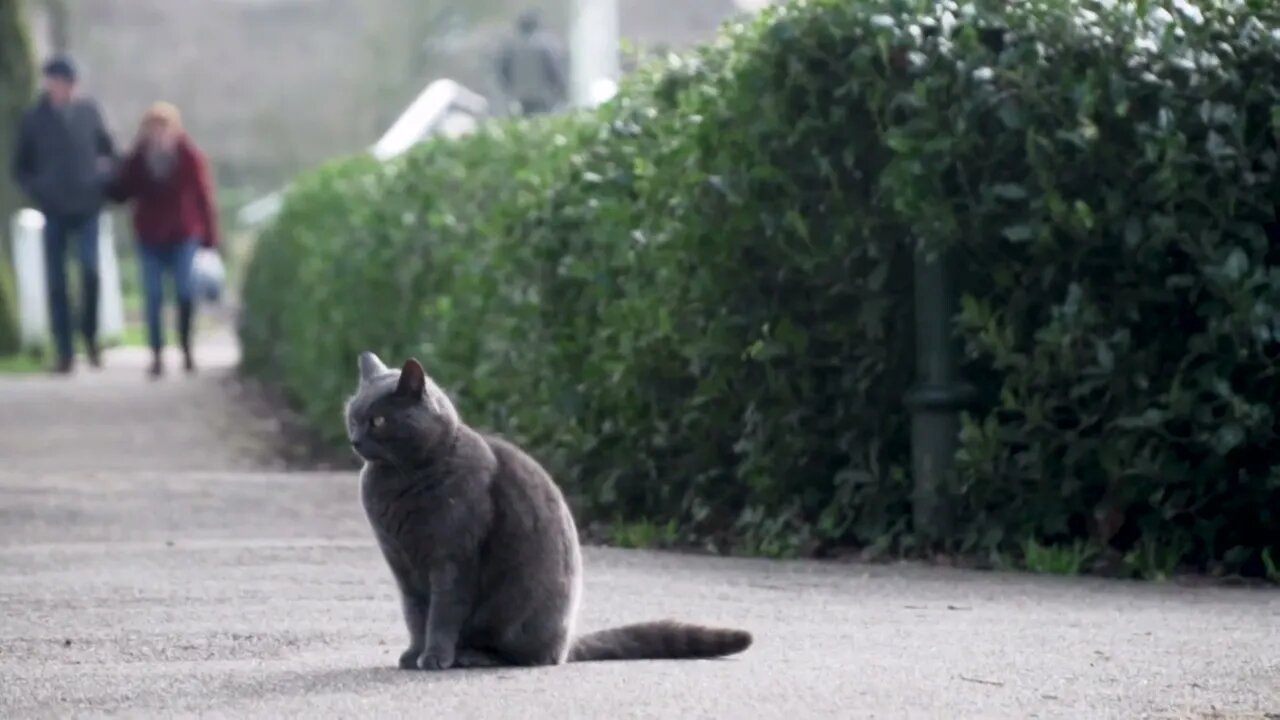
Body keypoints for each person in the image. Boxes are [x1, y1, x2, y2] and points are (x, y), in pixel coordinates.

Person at [10, 54, 118, 374]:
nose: (64, 89)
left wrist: (102, 178)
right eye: (59, 82)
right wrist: (39, 188)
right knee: (57, 279)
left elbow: (109, 151)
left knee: (90, 271)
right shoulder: (34, 119)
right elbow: (20, 166)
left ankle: (91, 336)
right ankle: (65, 350)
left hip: (87, 205)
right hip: (53, 207)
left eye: (69, 83)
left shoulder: (89, 113)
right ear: (50, 84)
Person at [109, 102, 220, 378]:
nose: (158, 135)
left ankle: (185, 347)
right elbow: (123, 191)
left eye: (163, 128)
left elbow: (204, 196)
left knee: (185, 290)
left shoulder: (189, 157)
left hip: (184, 233)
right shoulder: (137, 159)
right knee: (153, 295)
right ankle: (157, 353)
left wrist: (210, 236)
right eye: (153, 129)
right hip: (150, 235)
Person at [497, 10, 568, 116]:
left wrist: (509, 88)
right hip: (542, 98)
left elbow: (503, 72)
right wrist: (561, 91)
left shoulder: (510, 47)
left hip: (518, 98)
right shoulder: (544, 46)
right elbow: (554, 72)